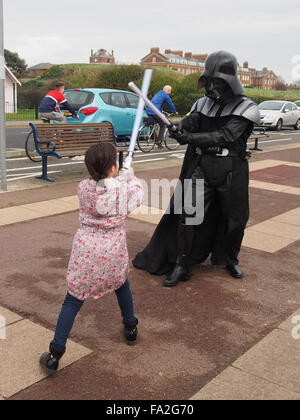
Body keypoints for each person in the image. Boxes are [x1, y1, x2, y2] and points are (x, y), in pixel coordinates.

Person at [133, 51, 260, 287]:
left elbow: (226, 135)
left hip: (231, 169)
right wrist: (177, 127)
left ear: (229, 81)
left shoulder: (247, 108)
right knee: (187, 216)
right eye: (209, 81)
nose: (211, 88)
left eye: (217, 82)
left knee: (235, 219)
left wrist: (189, 137)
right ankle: (182, 264)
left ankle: (230, 259)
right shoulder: (203, 104)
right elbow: (190, 122)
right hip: (202, 166)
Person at [40, 143, 144, 376]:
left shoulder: (82, 188)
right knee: (121, 285)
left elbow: (102, 189)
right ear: (113, 168)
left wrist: (118, 179)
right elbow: (137, 195)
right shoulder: (122, 191)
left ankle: (55, 355)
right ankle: (130, 329)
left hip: (86, 254)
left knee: (72, 300)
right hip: (113, 252)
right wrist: (131, 177)